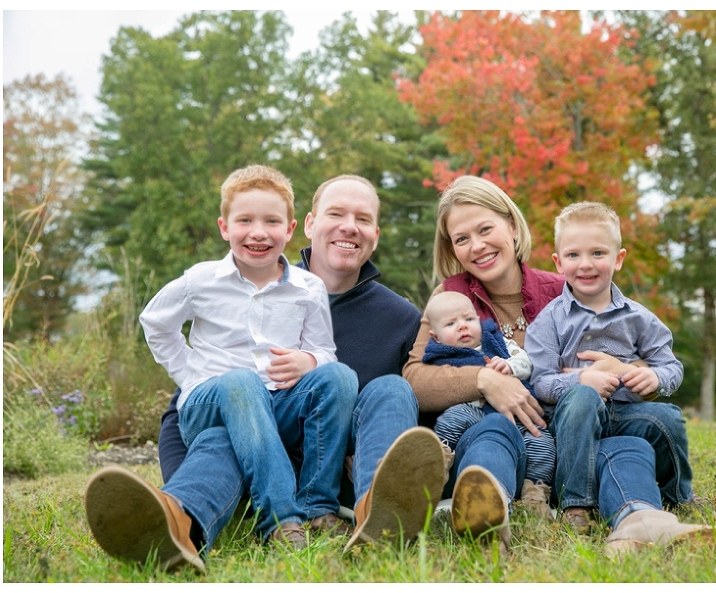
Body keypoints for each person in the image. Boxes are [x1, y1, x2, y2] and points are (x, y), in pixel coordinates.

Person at [84, 173, 446, 571]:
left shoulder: (400, 317)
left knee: (392, 389)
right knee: (225, 427)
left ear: (375, 233)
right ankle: (174, 518)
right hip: (246, 456)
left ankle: (378, 516)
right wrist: (183, 456)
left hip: (336, 472)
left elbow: (416, 410)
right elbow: (186, 403)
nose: (349, 226)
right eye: (336, 213)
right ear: (307, 225)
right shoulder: (257, 281)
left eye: (362, 218)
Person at [403, 175, 715, 554]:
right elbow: (416, 377)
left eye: (486, 229)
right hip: (499, 437)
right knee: (495, 434)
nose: (477, 246)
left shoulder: (565, 286)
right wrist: (484, 378)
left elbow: (634, 346)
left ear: (513, 227)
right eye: (461, 238)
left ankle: (639, 521)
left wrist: (617, 367)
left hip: (567, 441)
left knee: (627, 448)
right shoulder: (451, 298)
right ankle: (486, 514)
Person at [525, 201, 694, 533]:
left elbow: (670, 367)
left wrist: (653, 377)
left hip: (624, 415)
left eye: (598, 253)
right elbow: (540, 381)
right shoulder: (550, 320)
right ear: (559, 263)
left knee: (668, 418)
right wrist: (581, 380)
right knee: (585, 397)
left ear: (618, 259)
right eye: (573, 255)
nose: (585, 264)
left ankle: (678, 495)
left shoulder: (638, 317)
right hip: (573, 422)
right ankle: (575, 503)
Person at [423, 291, 555, 519]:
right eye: (451, 323)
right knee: (452, 418)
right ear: (435, 336)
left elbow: (526, 361)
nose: (463, 327)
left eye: (469, 319)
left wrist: (509, 366)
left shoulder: (499, 341)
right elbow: (439, 384)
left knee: (542, 442)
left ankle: (535, 491)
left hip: (519, 419)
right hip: (473, 415)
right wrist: (476, 383)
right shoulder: (440, 355)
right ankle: (439, 462)